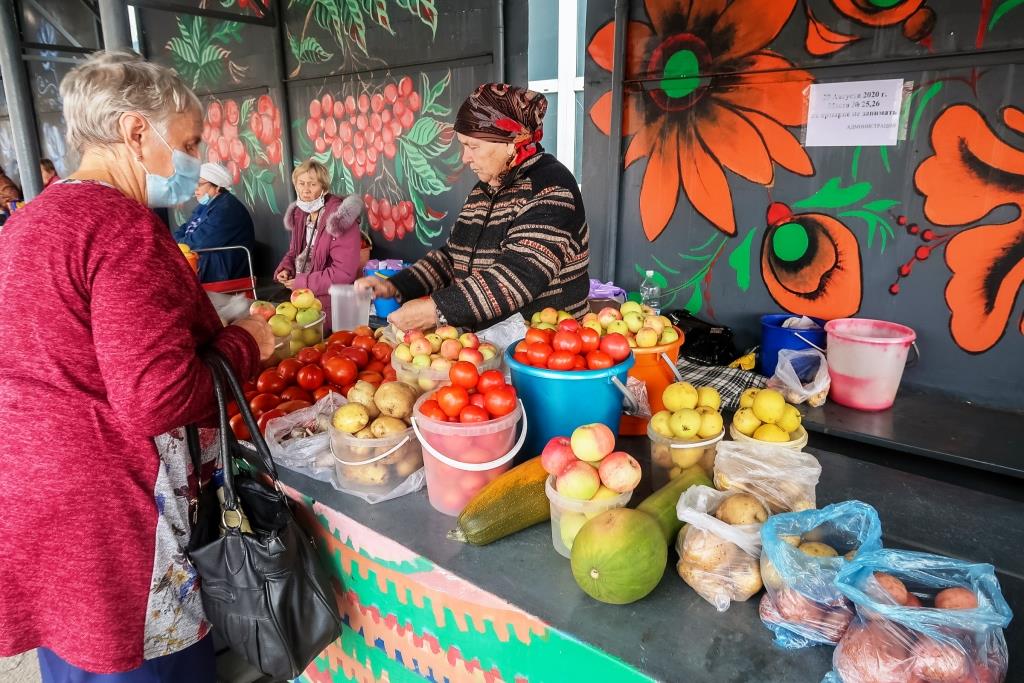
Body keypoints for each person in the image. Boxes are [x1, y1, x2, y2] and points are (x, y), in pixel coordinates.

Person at [0, 50, 274, 682]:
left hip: (31, 489)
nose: (196, 156)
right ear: (134, 131)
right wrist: (248, 340)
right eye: (190, 140)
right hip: (110, 507)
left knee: (77, 655)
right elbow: (159, 397)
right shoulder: (121, 228)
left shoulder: (29, 221)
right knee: (139, 663)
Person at [354, 83, 590, 332]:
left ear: (511, 143)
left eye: (473, 146)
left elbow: (516, 276)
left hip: (546, 343)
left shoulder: (551, 188)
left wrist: (436, 310)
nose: (465, 157)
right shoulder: (484, 190)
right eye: (463, 145)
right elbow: (452, 257)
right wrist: (397, 285)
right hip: (486, 342)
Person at [274, 159, 363, 323]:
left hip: (329, 304)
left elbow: (344, 273)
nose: (305, 190)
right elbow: (295, 252)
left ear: (324, 188)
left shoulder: (339, 219)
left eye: (312, 184)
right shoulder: (300, 214)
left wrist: (302, 282)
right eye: (301, 183)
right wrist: (286, 268)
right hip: (302, 299)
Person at [173, 162, 256, 283]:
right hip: (207, 265)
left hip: (221, 271)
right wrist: (177, 244)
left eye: (200, 184)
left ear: (217, 187)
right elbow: (184, 229)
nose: (195, 188)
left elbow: (198, 243)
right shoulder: (205, 205)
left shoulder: (227, 209)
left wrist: (178, 245)